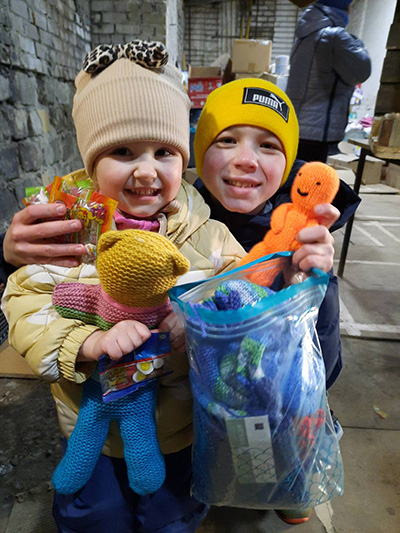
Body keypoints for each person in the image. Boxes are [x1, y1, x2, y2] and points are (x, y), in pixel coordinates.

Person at [1, 41, 246, 533]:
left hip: (178, 427)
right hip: (91, 421)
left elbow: (242, 292)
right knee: (95, 515)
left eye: (165, 152)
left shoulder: (207, 233)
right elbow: (26, 303)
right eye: (122, 151)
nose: (146, 171)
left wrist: (196, 318)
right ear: (90, 161)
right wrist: (86, 343)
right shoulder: (64, 232)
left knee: (170, 514)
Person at [192, 77, 360, 524]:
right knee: (244, 452)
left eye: (268, 145)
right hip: (223, 385)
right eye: (226, 140)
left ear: (288, 166)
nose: (245, 160)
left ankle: (292, 488)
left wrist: (307, 279)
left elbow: (321, 345)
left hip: (285, 386)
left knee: (288, 451)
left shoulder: (303, 232)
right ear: (198, 152)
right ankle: (253, 482)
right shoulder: (184, 217)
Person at [285, 0, 371, 163]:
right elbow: (361, 71)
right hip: (318, 131)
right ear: (344, 7)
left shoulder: (305, 35)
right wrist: (357, 44)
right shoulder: (335, 37)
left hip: (297, 125)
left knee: (296, 177)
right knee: (313, 183)